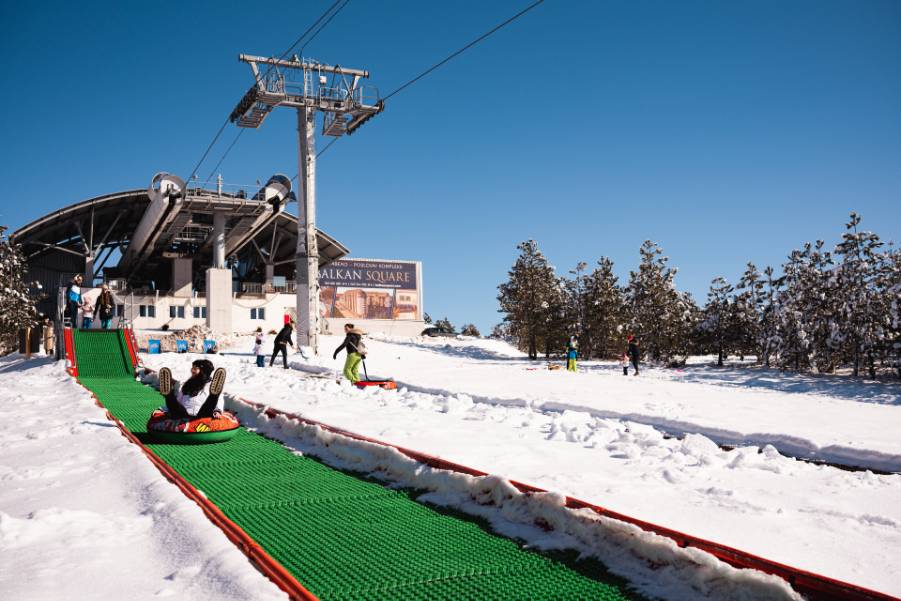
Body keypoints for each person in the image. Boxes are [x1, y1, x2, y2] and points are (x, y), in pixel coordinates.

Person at [157, 360, 226, 419]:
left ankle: (214, 395)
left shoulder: (212, 386)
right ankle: (169, 394)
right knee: (175, 407)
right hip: (184, 415)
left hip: (201, 415)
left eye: (195, 368)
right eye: (192, 368)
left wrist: (218, 411)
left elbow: (219, 401)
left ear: (203, 371)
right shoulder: (187, 385)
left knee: (210, 402)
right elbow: (177, 402)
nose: (192, 370)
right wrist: (163, 409)